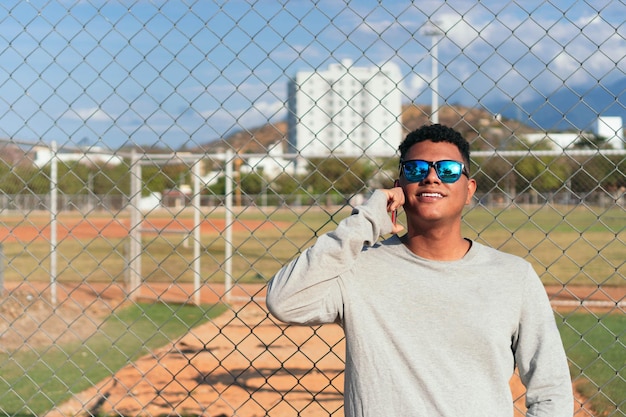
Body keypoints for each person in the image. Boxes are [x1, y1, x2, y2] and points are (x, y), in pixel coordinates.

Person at [266, 124, 573, 417]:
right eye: (416, 169)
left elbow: (551, 390)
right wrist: (367, 220)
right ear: (399, 188)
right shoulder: (357, 268)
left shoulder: (513, 276)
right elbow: (284, 301)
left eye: (449, 170)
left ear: (469, 189)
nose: (432, 178)